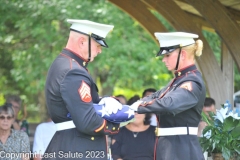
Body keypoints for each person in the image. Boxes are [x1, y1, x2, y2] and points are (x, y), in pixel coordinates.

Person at [44, 19, 123, 160]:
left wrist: (104, 101)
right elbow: (88, 122)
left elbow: (84, 104)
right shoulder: (73, 71)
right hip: (78, 150)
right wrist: (117, 123)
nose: (99, 51)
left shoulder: (65, 64)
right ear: (82, 42)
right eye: (98, 45)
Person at [130, 32, 206, 160]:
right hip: (171, 149)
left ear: (182, 54)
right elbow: (155, 96)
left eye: (167, 55)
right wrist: (133, 106)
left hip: (181, 151)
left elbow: (169, 104)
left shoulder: (192, 82)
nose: (164, 59)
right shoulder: (177, 81)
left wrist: (136, 107)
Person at [111, 95, 156, 160]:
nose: (136, 114)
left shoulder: (155, 131)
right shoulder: (119, 132)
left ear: (146, 113)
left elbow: (161, 153)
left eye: (140, 111)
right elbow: (115, 155)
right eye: (133, 111)